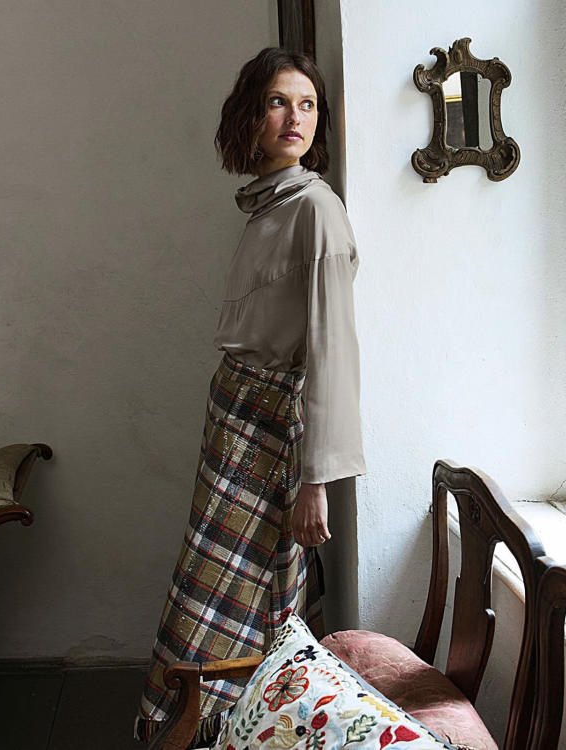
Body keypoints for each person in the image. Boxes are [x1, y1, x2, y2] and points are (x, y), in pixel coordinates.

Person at [134, 47, 366, 746]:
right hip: (235, 424)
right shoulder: (270, 206)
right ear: (251, 117)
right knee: (207, 593)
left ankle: (218, 731)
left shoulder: (315, 210)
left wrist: (315, 483)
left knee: (245, 602)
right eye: (277, 102)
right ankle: (202, 728)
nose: (295, 117)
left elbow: (332, 352)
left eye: (308, 104)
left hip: (270, 438)